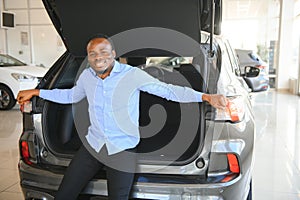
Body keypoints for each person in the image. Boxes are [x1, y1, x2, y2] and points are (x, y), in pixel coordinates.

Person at [17, 34, 227, 200]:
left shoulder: (131, 75)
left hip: (122, 148)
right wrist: (37, 93)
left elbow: (168, 91)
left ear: (113, 54)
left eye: (103, 52)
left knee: (118, 197)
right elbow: (71, 95)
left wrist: (206, 97)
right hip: (94, 145)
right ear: (88, 57)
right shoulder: (87, 76)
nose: (98, 57)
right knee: (65, 193)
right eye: (92, 53)